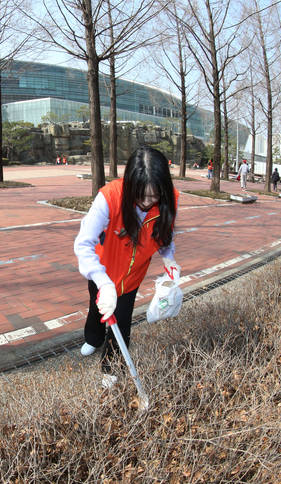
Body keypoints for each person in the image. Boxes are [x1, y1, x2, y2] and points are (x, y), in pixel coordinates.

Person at [74, 146, 180, 388]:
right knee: (97, 307)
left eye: (154, 196)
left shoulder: (170, 199)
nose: (146, 203)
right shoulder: (110, 197)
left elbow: (166, 235)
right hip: (102, 269)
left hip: (132, 276)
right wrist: (103, 282)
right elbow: (83, 243)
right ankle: (93, 337)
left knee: (121, 320)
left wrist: (169, 258)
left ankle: (111, 367)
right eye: (140, 195)